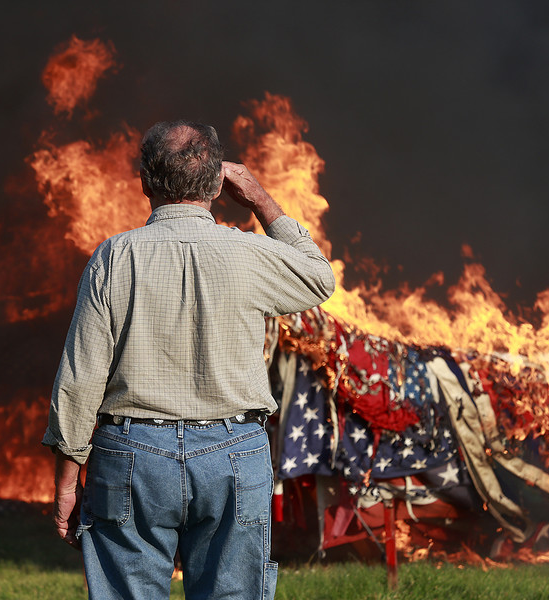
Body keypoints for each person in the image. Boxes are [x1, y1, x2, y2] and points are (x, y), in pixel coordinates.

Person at [42, 120, 335, 599]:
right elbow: (319, 277)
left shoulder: (114, 258)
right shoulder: (249, 253)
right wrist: (260, 197)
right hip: (234, 453)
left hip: (131, 453)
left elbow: (80, 379)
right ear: (220, 183)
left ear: (143, 183)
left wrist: (67, 482)